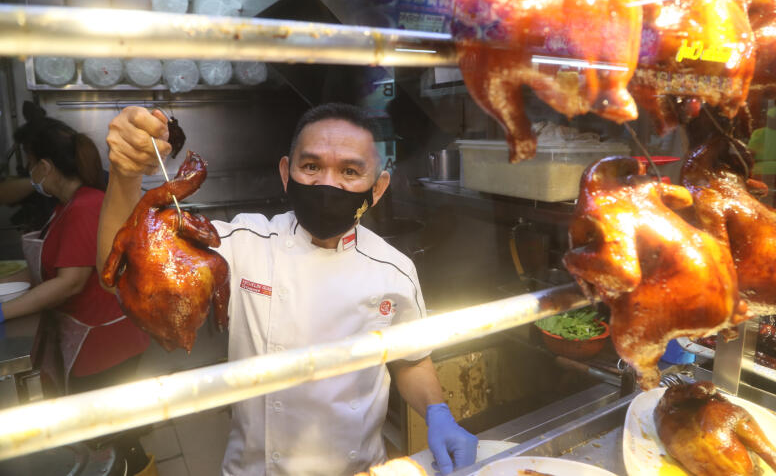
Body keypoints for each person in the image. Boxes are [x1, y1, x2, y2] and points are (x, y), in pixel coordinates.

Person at [97, 103, 479, 475]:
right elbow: (124, 267)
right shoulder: (246, 241)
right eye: (311, 166)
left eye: (349, 171)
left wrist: (437, 413)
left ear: (377, 189)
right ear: (287, 172)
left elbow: (411, 358)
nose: (328, 184)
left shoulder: (395, 269)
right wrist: (124, 174)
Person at [0, 107, 154, 475]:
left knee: (106, 435)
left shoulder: (86, 207)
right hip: (94, 340)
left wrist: (5, 312)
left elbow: (69, 282)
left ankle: (136, 467)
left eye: (29, 165)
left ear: (45, 167)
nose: (28, 175)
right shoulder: (66, 206)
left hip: (105, 344)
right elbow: (48, 267)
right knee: (111, 429)